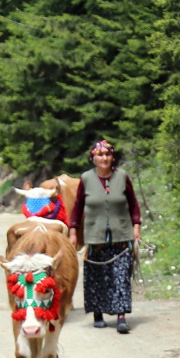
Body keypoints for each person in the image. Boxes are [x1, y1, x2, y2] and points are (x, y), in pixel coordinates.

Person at [69, 140, 141, 333]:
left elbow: (133, 203)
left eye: (107, 154)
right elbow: (77, 207)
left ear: (113, 157)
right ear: (93, 158)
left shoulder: (122, 177)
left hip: (121, 235)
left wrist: (136, 226)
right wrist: (73, 230)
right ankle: (98, 313)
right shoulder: (86, 179)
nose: (104, 158)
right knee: (97, 275)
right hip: (95, 237)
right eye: (100, 155)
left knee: (120, 276)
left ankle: (121, 316)